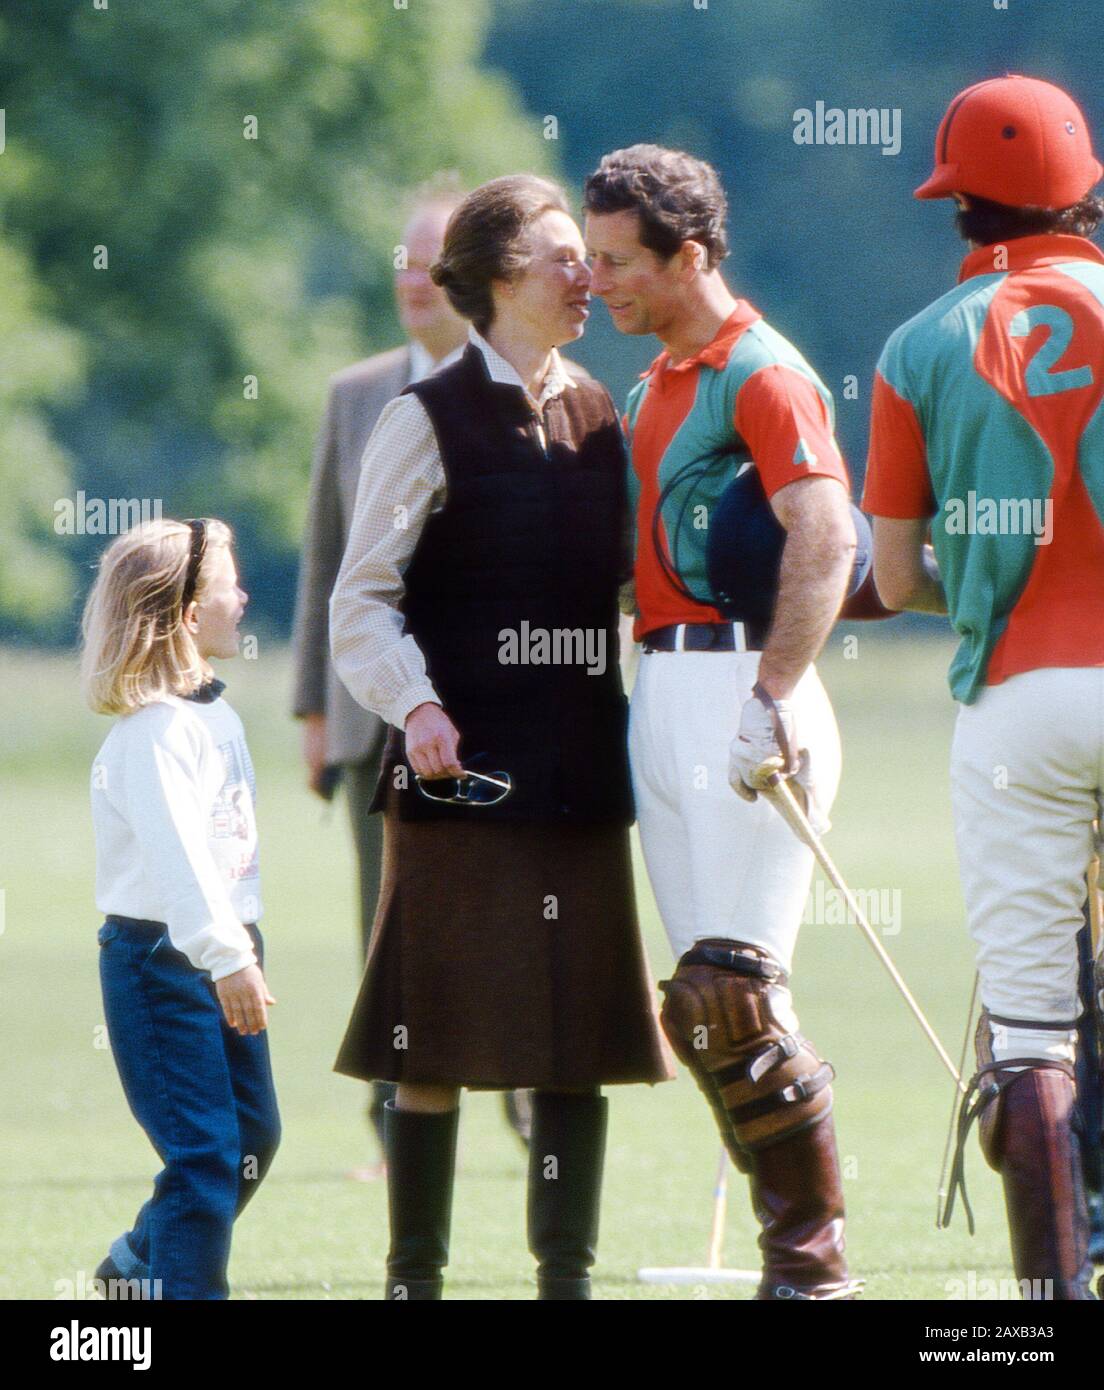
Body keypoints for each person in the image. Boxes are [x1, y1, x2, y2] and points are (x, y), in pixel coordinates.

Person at [329, 174, 670, 1300]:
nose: (590, 275)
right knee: (427, 1051)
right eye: (564, 256)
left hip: (579, 779)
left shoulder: (604, 416)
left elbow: (634, 590)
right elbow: (360, 601)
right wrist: (416, 705)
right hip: (457, 784)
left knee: (576, 1053)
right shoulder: (420, 419)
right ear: (499, 278)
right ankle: (412, 1284)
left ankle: (563, 1285)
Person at [584, 145, 861, 1300]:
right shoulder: (653, 384)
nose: (598, 283)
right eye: (590, 261)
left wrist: (776, 696)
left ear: (687, 254)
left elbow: (829, 536)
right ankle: (786, 1256)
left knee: (735, 989)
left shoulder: (764, 370)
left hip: (749, 692)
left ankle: (814, 1267)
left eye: (618, 262)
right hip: (666, 686)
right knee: (699, 1011)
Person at [866, 74, 1104, 1301]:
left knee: (1028, 1026)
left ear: (960, 209)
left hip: (1018, 697)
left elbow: (898, 573)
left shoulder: (917, 346)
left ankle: (1048, 1311)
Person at [290, 181, 469, 1172]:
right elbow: (325, 557)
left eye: (430, 261)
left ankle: (527, 1103)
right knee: (386, 925)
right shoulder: (356, 393)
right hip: (371, 717)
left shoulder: (513, 390)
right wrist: (314, 705)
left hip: (483, 706)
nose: (411, 279)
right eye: (401, 260)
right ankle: (393, 1125)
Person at [81, 518, 280, 1300]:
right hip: (165, 960)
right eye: (230, 584)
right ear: (191, 616)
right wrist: (226, 956)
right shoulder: (156, 733)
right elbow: (180, 864)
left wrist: (238, 948)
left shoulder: (212, 717)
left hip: (222, 945)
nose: (245, 596)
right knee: (203, 1156)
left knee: (252, 1139)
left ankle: (135, 1268)